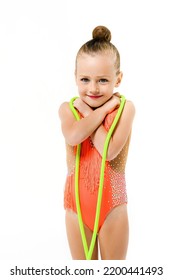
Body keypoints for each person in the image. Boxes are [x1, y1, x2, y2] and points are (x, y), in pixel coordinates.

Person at [59, 25, 135, 260]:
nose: (92, 88)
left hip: (112, 205)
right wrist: (101, 112)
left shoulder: (125, 109)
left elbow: (109, 150)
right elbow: (73, 136)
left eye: (103, 80)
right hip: (76, 204)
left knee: (114, 272)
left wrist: (95, 112)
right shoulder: (69, 109)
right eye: (85, 79)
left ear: (118, 78)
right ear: (75, 77)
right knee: (84, 273)